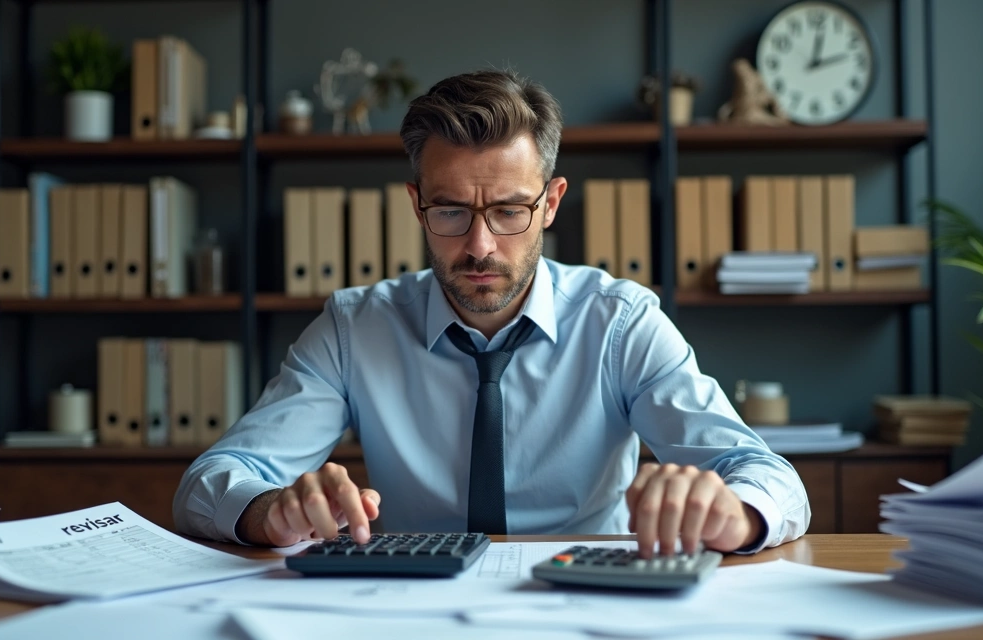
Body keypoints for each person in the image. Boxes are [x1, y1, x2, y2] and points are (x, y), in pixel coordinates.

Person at [173, 69, 810, 558]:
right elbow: (210, 482)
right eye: (451, 211)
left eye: (509, 211)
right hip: (417, 605)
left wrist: (735, 514)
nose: (480, 246)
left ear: (551, 203)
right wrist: (270, 512)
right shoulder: (354, 329)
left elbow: (768, 477)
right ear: (417, 205)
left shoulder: (620, 323)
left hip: (589, 599)